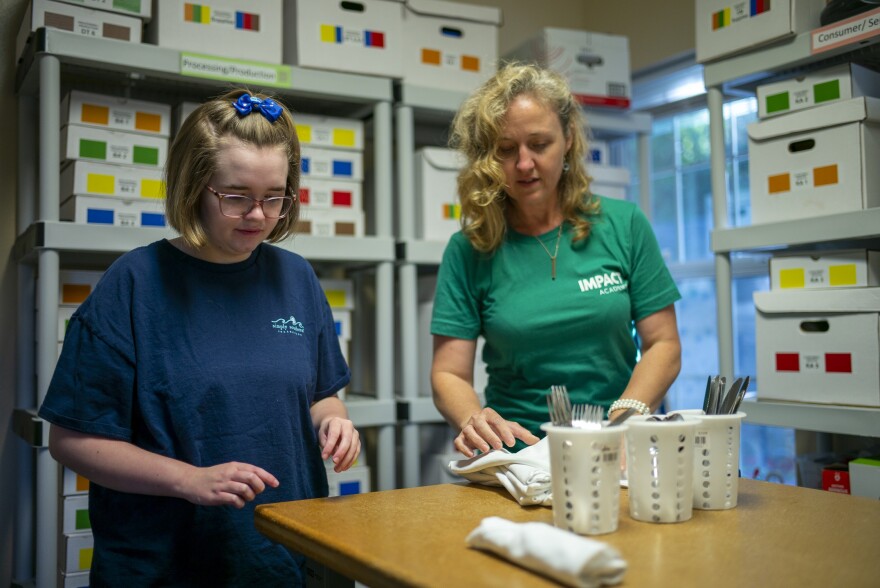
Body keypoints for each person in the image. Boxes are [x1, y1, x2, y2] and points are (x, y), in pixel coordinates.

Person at [38, 89, 360, 586]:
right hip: (171, 563)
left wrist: (335, 421)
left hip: (282, 555)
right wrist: (189, 480)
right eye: (236, 197)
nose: (257, 215)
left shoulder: (295, 277)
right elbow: (72, 440)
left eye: (274, 197)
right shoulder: (135, 283)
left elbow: (320, 393)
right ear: (195, 186)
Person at [431, 63, 682, 458]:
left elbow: (663, 343)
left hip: (619, 442)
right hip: (519, 452)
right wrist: (473, 420)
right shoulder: (469, 249)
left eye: (539, 144)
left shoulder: (624, 224)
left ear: (567, 140)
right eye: (507, 150)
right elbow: (449, 373)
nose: (524, 164)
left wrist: (626, 415)